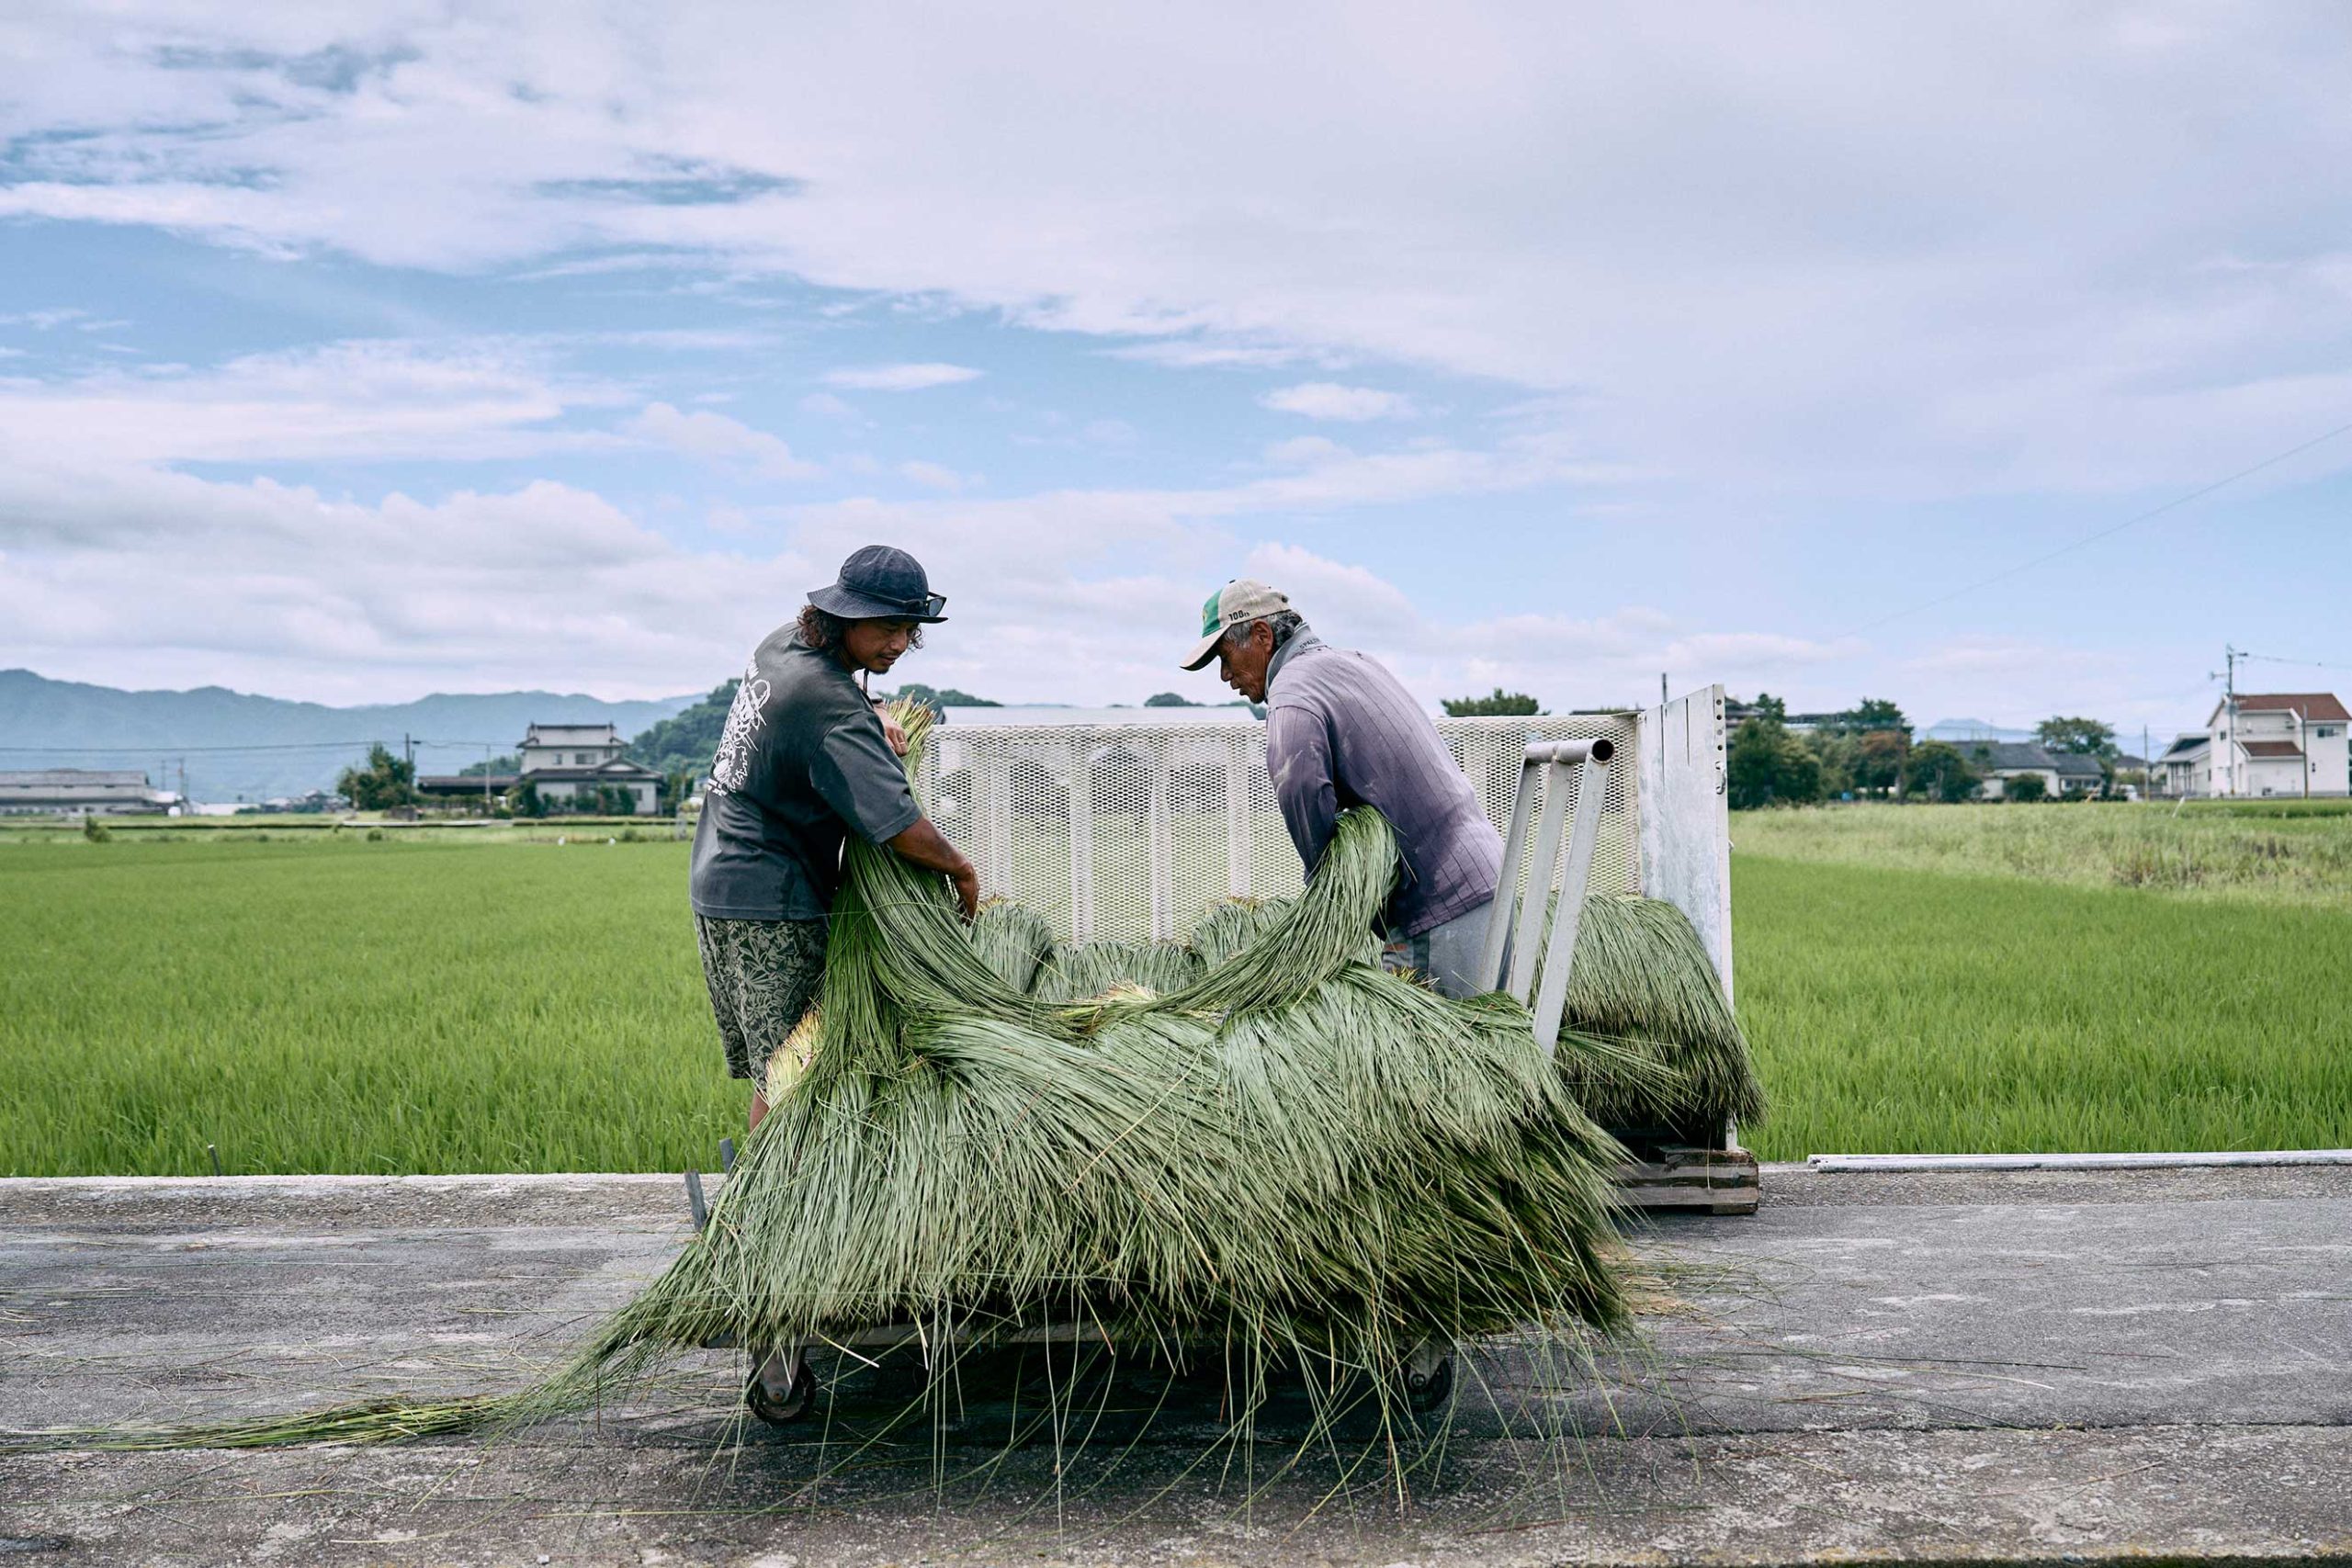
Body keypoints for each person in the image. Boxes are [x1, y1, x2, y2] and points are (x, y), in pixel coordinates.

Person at [691, 544, 980, 1132]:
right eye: (888, 628)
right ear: (844, 618)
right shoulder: (830, 706)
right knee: (794, 1069)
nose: (900, 644)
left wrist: (870, 707)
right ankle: (768, 1204)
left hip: (721, 874)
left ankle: (772, 1194)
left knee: (787, 1062)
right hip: (770, 901)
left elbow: (815, 704)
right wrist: (961, 870)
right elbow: (898, 825)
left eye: (910, 630)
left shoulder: (783, 645)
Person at [1182, 578, 1503, 998]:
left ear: (1261, 635)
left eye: (1225, 657)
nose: (1225, 676)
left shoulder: (1294, 691)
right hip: (1476, 880)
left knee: (1454, 1046)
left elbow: (1301, 788)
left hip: (1441, 903)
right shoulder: (1355, 662)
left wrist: (1328, 900)